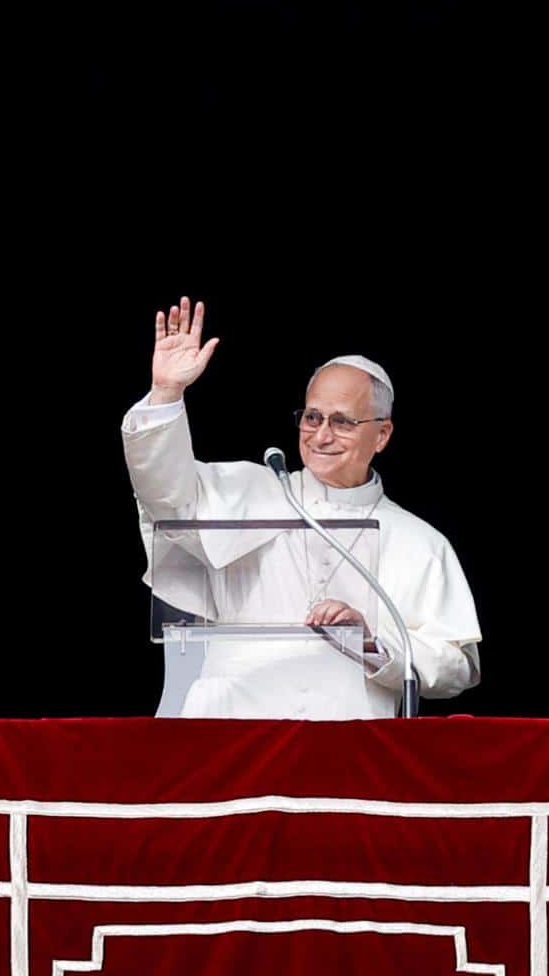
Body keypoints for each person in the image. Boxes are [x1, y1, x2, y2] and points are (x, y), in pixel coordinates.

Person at [123, 295, 482, 719]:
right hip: (234, 735)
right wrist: (166, 393)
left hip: (350, 748)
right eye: (312, 418)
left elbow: (456, 666)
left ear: (382, 435)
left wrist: (371, 640)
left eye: (342, 422)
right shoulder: (250, 491)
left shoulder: (419, 541)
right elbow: (166, 496)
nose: (321, 436)